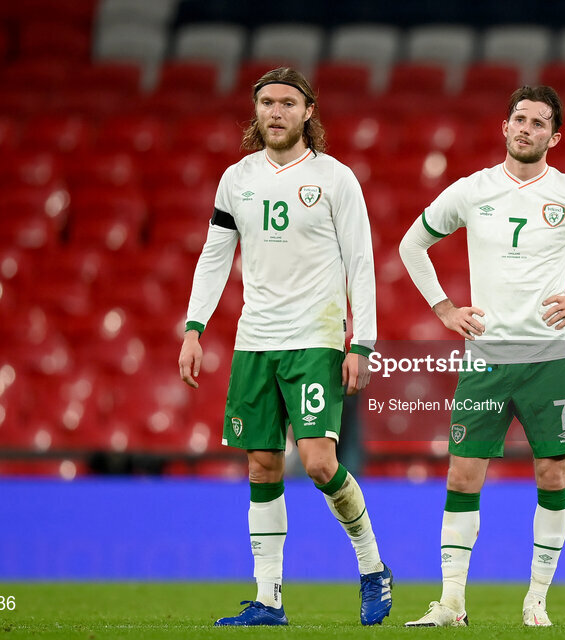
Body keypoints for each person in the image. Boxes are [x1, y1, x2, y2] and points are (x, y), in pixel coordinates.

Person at [399, 85, 565, 627]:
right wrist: (444, 308)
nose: (526, 128)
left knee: (553, 476)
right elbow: (411, 244)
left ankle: (536, 599)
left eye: (539, 123)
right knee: (462, 476)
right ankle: (451, 603)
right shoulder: (471, 190)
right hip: (486, 358)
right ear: (505, 126)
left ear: (554, 137)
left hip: (549, 359)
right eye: (520, 118)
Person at [178, 67, 392, 627]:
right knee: (262, 466)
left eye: (288, 103)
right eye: (267, 102)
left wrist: (363, 342)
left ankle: (373, 568)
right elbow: (214, 256)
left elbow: (361, 263)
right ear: (256, 112)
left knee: (319, 463)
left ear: (308, 112)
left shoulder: (336, 179)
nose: (276, 112)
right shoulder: (237, 179)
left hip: (315, 338)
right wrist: (194, 328)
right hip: (255, 342)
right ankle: (269, 599)